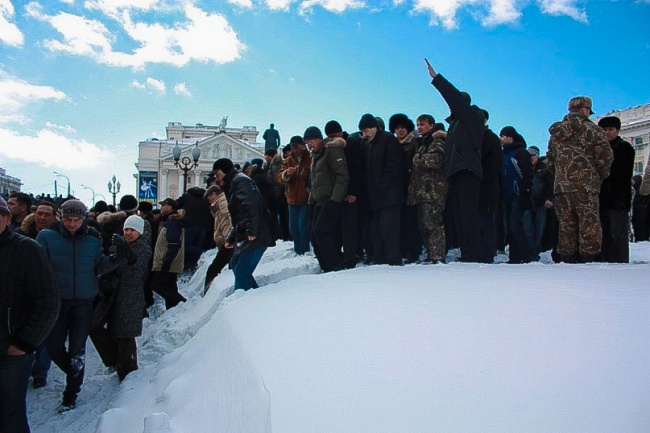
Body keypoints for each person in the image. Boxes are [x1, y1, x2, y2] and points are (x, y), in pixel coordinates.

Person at [36, 199, 125, 412]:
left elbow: (99, 266)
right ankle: (72, 371)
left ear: (84, 218)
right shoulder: (46, 237)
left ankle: (71, 393)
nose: (72, 224)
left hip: (83, 303)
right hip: (56, 303)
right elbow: (37, 268)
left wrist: (117, 259)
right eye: (68, 219)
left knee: (77, 349)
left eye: (76, 219)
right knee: (54, 347)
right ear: (60, 217)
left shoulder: (93, 239)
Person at [0, 196, 59, 432]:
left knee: (9, 415)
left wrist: (24, 342)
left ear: (6, 219)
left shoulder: (26, 249)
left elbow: (47, 300)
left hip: (10, 349)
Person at [425, 58, 484, 262]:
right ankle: (466, 253)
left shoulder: (471, 116)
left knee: (468, 216)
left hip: (468, 172)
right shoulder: (455, 126)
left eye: (455, 103)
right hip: (456, 175)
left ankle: (472, 255)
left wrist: (437, 79)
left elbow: (456, 101)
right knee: (459, 218)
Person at [547, 96, 613, 263]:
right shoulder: (593, 130)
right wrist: (598, 176)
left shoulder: (556, 133)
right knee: (588, 225)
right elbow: (604, 158)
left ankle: (567, 260)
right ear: (585, 110)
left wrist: (562, 176)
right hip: (587, 187)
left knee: (566, 226)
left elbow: (549, 161)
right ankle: (588, 261)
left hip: (562, 188)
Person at [90, 215, 151, 381]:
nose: (129, 233)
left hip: (129, 295)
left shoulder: (143, 249)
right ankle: (113, 359)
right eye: (126, 229)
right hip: (110, 294)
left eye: (132, 230)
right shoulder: (117, 245)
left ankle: (128, 373)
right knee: (93, 326)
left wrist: (126, 253)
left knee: (125, 335)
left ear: (139, 232)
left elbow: (135, 273)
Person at [13, 201, 58, 389]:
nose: (42, 217)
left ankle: (40, 372)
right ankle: (22, 370)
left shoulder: (58, 237)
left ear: (54, 217)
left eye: (47, 214)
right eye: (39, 213)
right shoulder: (21, 235)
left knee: (45, 334)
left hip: (48, 292)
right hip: (22, 293)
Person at [213, 158, 276, 291]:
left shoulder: (240, 181)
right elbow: (237, 217)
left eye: (217, 173)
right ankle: (253, 295)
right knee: (236, 265)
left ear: (225, 171)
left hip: (256, 233)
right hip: (247, 232)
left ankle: (243, 301)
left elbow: (251, 206)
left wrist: (252, 230)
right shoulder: (233, 183)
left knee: (242, 270)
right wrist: (231, 237)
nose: (216, 178)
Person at [359, 113, 404, 265]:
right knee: (375, 229)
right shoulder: (368, 144)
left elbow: (394, 165)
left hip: (389, 194)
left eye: (365, 131)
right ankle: (379, 257)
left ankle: (393, 258)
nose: (364, 134)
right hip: (375, 195)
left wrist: (383, 183)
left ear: (373, 128)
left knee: (389, 229)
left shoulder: (389, 139)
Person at [305, 126, 349, 272]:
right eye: (306, 142)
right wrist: (310, 203)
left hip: (331, 199)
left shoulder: (331, 150)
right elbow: (314, 182)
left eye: (310, 141)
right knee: (314, 235)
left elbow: (342, 176)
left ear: (318, 139)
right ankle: (325, 266)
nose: (308, 145)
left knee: (321, 232)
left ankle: (335, 265)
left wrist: (335, 200)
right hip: (319, 201)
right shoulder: (315, 156)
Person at [324, 120, 367, 268]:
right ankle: (343, 255)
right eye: (331, 136)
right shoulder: (329, 147)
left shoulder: (352, 144)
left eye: (336, 135)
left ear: (341, 132)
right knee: (338, 228)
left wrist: (353, 192)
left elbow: (357, 170)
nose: (334, 138)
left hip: (350, 194)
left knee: (350, 228)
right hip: (336, 194)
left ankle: (351, 257)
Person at [407, 114, 448, 264]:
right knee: (424, 224)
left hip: (433, 191)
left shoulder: (437, 141)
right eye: (417, 125)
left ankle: (437, 256)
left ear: (431, 125)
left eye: (422, 124)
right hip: (422, 191)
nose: (419, 127)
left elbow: (436, 160)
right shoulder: (423, 142)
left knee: (433, 224)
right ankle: (431, 254)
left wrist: (417, 158)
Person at [597, 116, 635, 262]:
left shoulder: (624, 148)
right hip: (601, 199)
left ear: (617, 131)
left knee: (617, 234)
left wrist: (616, 195)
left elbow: (623, 175)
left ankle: (619, 263)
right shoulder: (599, 149)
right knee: (604, 234)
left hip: (617, 199)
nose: (607, 132)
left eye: (611, 129)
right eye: (604, 130)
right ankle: (605, 260)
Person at [390, 113, 423, 263]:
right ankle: (403, 249)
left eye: (402, 127)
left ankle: (413, 251)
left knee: (412, 220)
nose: (400, 130)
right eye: (397, 128)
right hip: (398, 187)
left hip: (412, 185)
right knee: (400, 220)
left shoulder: (415, 142)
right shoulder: (392, 144)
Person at [500, 126, 535, 263]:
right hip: (508, 196)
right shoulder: (505, 155)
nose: (501, 139)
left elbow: (527, 173)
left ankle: (525, 256)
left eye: (503, 136)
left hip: (518, 194)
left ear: (511, 137)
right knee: (510, 227)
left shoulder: (519, 152)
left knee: (516, 226)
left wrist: (525, 191)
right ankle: (514, 257)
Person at [277, 135, 312, 255]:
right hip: (291, 198)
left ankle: (304, 249)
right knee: (293, 227)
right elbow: (279, 177)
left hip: (306, 198)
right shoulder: (288, 160)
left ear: (303, 145)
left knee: (303, 225)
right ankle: (298, 250)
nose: (294, 150)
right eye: (292, 147)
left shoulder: (310, 158)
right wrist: (286, 173)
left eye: (296, 147)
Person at [150, 198, 187, 309]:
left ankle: (181, 303)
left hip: (168, 260)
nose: (161, 208)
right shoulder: (170, 220)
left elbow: (174, 243)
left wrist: (167, 260)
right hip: (170, 259)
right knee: (170, 285)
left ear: (170, 207)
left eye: (163, 205)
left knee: (157, 284)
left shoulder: (173, 222)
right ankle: (173, 309)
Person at [478, 109, 504, 263]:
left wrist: (478, 178)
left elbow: (494, 166)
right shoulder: (472, 137)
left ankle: (487, 255)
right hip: (475, 190)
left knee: (486, 223)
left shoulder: (491, 139)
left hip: (487, 189)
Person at [203, 185, 233, 293]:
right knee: (231, 266)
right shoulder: (218, 204)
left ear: (214, 194)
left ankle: (207, 294)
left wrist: (229, 235)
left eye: (208, 198)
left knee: (213, 269)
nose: (208, 200)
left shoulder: (222, 201)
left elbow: (229, 216)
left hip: (228, 240)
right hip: (227, 239)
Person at [529, 146, 555, 256]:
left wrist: (549, 198)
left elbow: (550, 184)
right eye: (529, 155)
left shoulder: (544, 168)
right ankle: (530, 252)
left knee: (539, 230)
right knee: (528, 229)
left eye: (533, 155)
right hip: (528, 203)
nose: (531, 157)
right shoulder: (524, 167)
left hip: (541, 203)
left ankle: (537, 253)